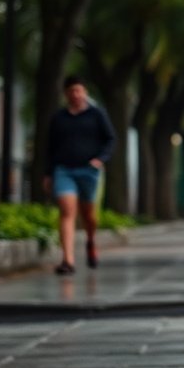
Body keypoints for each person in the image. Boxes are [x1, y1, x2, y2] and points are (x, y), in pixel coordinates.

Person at [44, 75, 116, 275]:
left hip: (89, 171)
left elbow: (110, 140)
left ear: (85, 92)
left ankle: (91, 240)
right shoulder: (58, 118)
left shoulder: (97, 115)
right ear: (66, 94)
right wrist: (48, 173)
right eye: (71, 91)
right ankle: (68, 259)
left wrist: (100, 159)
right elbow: (50, 147)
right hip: (64, 169)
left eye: (79, 90)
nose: (75, 95)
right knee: (67, 211)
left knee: (88, 216)